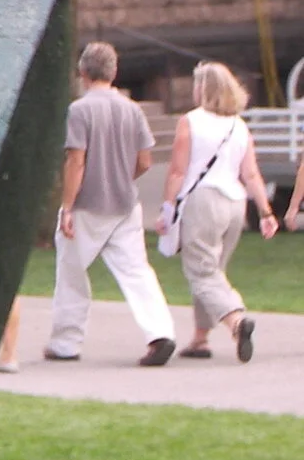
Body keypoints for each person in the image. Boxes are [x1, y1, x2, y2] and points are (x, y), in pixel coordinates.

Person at [46, 41, 178, 366]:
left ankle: (66, 342)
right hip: (125, 204)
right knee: (136, 270)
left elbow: (76, 160)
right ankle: (160, 333)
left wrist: (67, 207)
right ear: (114, 71)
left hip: (88, 205)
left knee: (71, 270)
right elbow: (145, 161)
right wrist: (122, 176)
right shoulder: (132, 109)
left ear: (83, 72)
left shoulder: (79, 110)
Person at [161, 60, 276, 360]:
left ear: (204, 88)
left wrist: (168, 207)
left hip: (203, 201)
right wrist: (265, 211)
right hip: (235, 204)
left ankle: (236, 320)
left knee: (201, 272)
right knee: (212, 270)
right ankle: (200, 339)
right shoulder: (239, 125)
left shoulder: (191, 121)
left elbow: (177, 171)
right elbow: (251, 174)